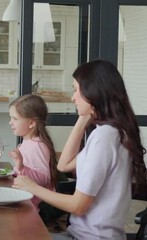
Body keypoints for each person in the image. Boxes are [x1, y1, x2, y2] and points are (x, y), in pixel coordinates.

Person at [12, 59, 147, 239]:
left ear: (94, 93)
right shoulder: (112, 132)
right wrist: (83, 118)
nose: (73, 97)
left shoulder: (104, 137)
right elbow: (64, 165)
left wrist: (32, 186)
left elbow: (78, 206)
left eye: (76, 90)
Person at [7, 94, 59, 212]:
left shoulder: (37, 146)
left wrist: (21, 165)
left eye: (15, 118)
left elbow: (44, 179)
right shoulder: (28, 141)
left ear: (31, 123)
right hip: (24, 198)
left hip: (31, 206)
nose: (10, 122)